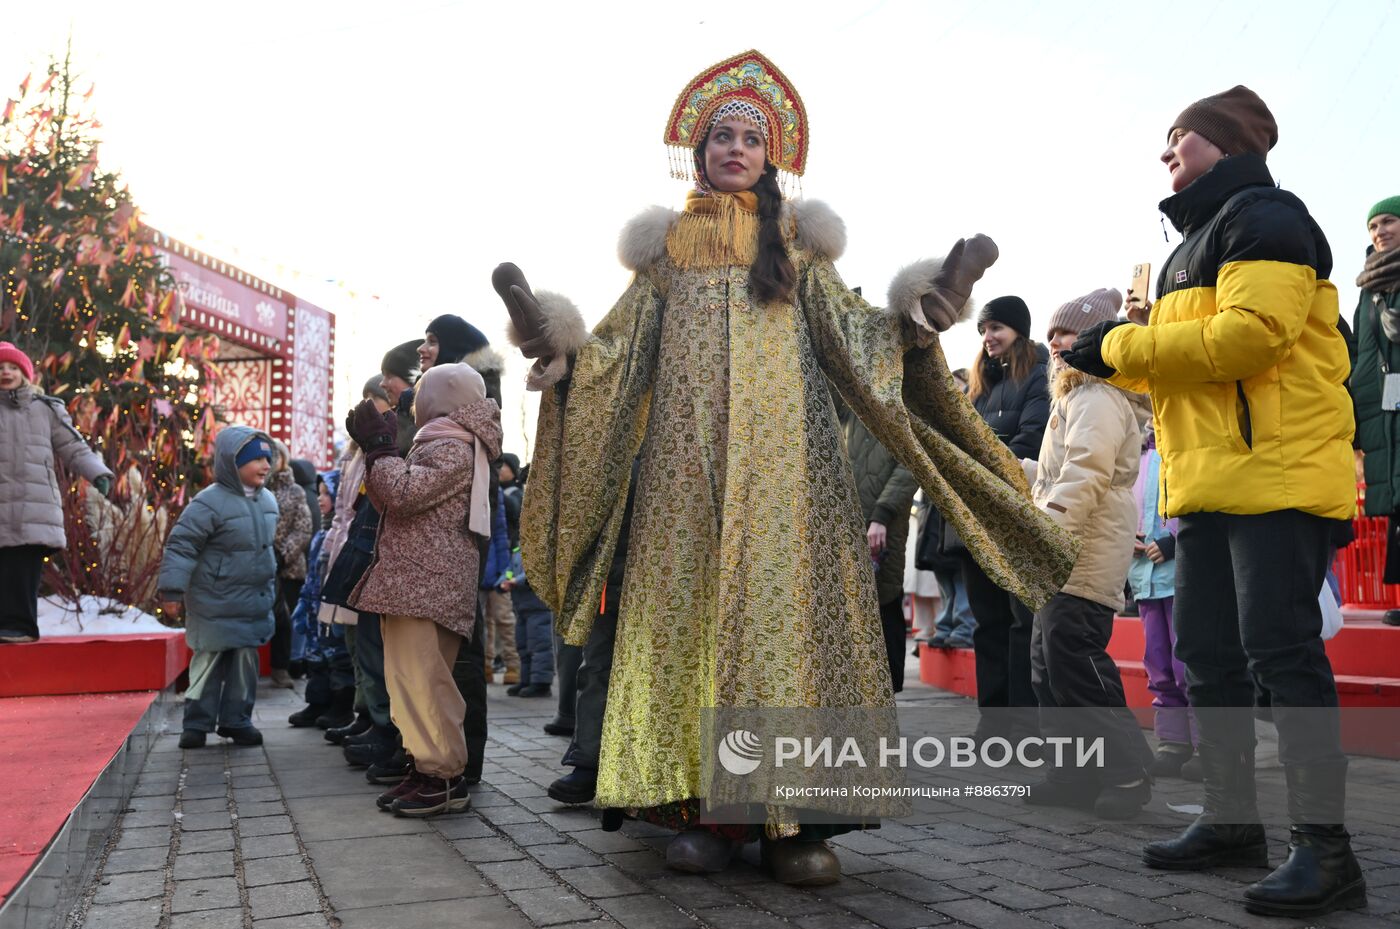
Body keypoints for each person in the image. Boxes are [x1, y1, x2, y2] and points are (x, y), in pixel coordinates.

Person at [491, 50, 1074, 884]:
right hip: (681, 486)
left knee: (790, 629)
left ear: (773, 159)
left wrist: (929, 301)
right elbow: (616, 355)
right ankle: (703, 814)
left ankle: (794, 822)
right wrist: (560, 343)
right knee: (687, 629)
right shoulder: (664, 254)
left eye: (749, 139)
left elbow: (857, 339)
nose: (734, 148)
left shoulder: (799, 247)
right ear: (697, 152)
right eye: (719, 136)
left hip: (789, 481)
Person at [1062, 86, 1363, 917]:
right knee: (1210, 656)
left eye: (1180, 136)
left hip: (1276, 476)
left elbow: (1246, 338)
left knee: (1281, 654)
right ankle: (1233, 822)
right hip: (1209, 484)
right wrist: (1115, 357)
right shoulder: (1189, 242)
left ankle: (1328, 850)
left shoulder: (1266, 215)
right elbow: (1179, 363)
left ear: (1226, 144)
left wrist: (1120, 343)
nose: (1167, 150)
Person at [346, 362, 502, 817]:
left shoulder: (455, 446)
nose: (413, 401)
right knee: (408, 682)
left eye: (420, 391)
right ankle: (425, 765)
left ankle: (443, 777)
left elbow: (405, 494)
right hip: (414, 582)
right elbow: (390, 497)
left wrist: (379, 449)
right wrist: (381, 453)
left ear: (443, 396)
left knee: (425, 683)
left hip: (426, 583)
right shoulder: (440, 440)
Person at [1023, 288, 1153, 820]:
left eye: (1069, 333)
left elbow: (1086, 473)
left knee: (1075, 660)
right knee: (1047, 665)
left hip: (1084, 546)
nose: (1056, 343)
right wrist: (1018, 470)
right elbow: (1058, 474)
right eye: (1053, 334)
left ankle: (1129, 769)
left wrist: (1048, 532)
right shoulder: (1072, 396)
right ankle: (1073, 774)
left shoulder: (1097, 396)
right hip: (1065, 546)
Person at [159, 427, 279, 749]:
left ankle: (236, 720)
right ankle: (196, 723)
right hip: (213, 600)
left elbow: (267, 548)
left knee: (245, 664)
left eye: (268, 459)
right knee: (208, 662)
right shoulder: (208, 503)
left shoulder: (268, 501)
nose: (265, 466)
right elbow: (182, 546)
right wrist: (172, 590)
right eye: (256, 460)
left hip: (251, 601)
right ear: (232, 462)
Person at [964, 296, 1050, 738]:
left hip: (1014, 514)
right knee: (987, 623)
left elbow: (1031, 437)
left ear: (1018, 329)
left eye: (995, 327)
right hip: (975, 517)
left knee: (1021, 622)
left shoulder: (1039, 373)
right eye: (983, 329)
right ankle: (992, 721)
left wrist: (982, 477)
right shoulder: (975, 385)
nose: (988, 337)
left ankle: (1022, 722)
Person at [0, 343, 114, 643]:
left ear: (25, 374)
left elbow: (73, 446)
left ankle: (20, 627)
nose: (5, 372)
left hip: (33, 504)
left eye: (12, 367)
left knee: (23, 567)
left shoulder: (45, 409)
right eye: (0, 368)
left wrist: (97, 472)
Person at [1129, 425, 1195, 777]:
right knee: (1157, 661)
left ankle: (1205, 742)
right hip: (1144, 577)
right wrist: (1127, 534)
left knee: (1187, 662)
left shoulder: (1181, 445)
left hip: (1181, 575)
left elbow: (1196, 497)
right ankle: (1172, 740)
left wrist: (1173, 539)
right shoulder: (1137, 455)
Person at [842, 408, 918, 691]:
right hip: (850, 520)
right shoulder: (849, 408)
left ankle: (886, 691)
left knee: (884, 601)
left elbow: (911, 465)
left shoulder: (902, 407)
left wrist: (881, 516)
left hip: (883, 525)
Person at [1350, 195, 1400, 626]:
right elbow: (1362, 358)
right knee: (1399, 507)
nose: (1379, 232)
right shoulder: (1367, 289)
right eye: (1373, 227)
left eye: (1388, 222)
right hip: (1383, 408)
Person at [267, 440, 314, 688]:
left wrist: (282, 555)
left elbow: (303, 528)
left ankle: (281, 667)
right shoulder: (255, 488)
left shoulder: (295, 491)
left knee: (284, 619)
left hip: (288, 566)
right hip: (259, 564)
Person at [485, 453, 522, 685]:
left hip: (500, 568)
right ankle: (486, 665)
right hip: (484, 569)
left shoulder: (505, 494)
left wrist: (506, 569)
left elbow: (502, 534)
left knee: (504, 619)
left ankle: (513, 666)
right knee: (485, 623)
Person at [380, 341, 421, 457]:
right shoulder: (394, 420)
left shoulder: (432, 426)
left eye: (389, 376)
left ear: (412, 378)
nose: (382, 384)